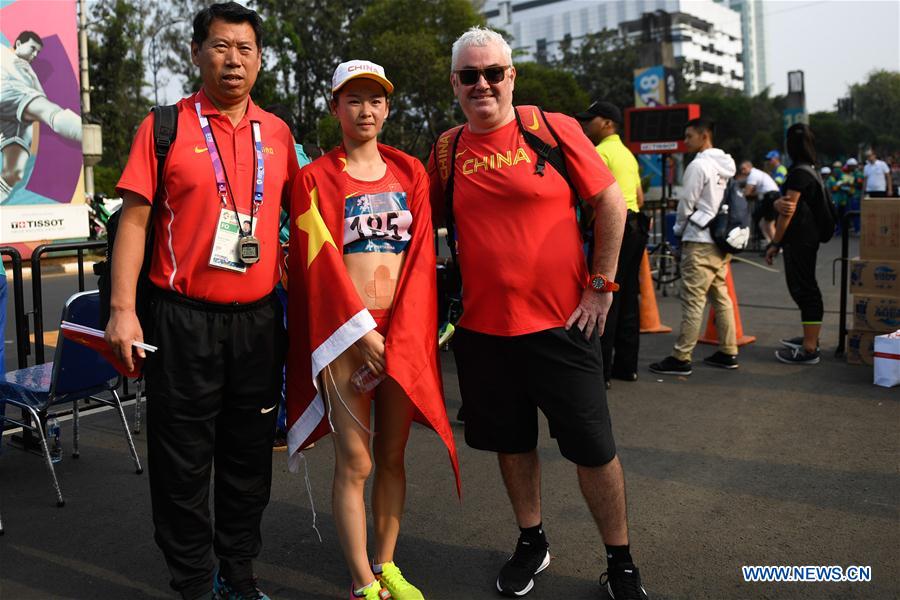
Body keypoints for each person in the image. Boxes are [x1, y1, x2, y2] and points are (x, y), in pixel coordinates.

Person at [430, 26, 648, 600]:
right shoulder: (447, 148)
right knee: (511, 443)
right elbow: (414, 222)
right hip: (483, 330)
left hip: (563, 324)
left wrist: (601, 284)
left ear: (511, 76)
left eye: (493, 73)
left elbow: (608, 202)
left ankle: (620, 561)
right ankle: (532, 541)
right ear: (455, 83)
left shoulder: (550, 128)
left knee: (594, 450)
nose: (483, 84)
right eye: (470, 75)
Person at [105, 3, 300, 599]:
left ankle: (238, 579)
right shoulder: (163, 127)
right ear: (196, 53)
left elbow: (305, 222)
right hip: (181, 321)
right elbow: (134, 223)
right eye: (220, 46)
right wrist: (121, 309)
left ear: (260, 60)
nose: (233, 60)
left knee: (247, 465)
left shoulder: (279, 132)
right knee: (182, 463)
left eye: (245, 49)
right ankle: (193, 584)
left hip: (259, 324)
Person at [285, 60, 459, 600]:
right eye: (353, 100)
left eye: (375, 100)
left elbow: (421, 261)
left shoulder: (410, 173)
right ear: (335, 107)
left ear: (387, 107)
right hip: (345, 339)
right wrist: (362, 335)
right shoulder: (312, 178)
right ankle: (361, 580)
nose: (365, 110)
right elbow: (320, 267)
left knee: (392, 458)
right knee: (355, 460)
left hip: (400, 335)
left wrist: (401, 336)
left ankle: (387, 566)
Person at [649, 118, 738, 376]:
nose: (685, 141)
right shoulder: (726, 166)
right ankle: (728, 350)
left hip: (699, 240)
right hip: (720, 240)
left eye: (689, 136)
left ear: (704, 135)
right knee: (721, 298)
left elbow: (686, 204)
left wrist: (677, 231)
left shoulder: (698, 166)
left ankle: (681, 356)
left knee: (693, 301)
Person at [576, 100, 648, 389]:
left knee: (604, 295)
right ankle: (626, 367)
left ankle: (601, 372)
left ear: (607, 123)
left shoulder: (600, 152)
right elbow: (640, 198)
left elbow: (594, 200)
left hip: (614, 228)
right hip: (637, 226)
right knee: (629, 295)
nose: (584, 125)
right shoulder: (628, 154)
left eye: (590, 119)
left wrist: (583, 226)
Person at [765, 123, 825, 365]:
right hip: (808, 238)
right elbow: (788, 205)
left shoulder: (799, 172)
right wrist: (778, 204)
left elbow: (787, 211)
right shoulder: (811, 169)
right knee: (806, 288)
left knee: (804, 289)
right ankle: (811, 338)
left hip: (800, 239)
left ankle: (810, 348)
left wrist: (774, 243)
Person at [1, 31, 82, 203]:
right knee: (47, 110)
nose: (34, 54)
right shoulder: (2, 53)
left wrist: (31, 76)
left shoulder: (28, 69)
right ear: (18, 44)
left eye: (37, 52)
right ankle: (83, 134)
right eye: (32, 48)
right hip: (5, 93)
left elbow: (42, 98)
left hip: (17, 115)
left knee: (14, 174)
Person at [737, 159, 780, 245]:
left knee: (768, 223)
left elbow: (747, 192)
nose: (742, 171)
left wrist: (739, 193)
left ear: (750, 167)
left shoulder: (753, 175)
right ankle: (770, 243)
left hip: (771, 197)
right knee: (762, 223)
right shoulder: (757, 173)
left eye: (744, 169)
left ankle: (776, 245)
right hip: (771, 196)